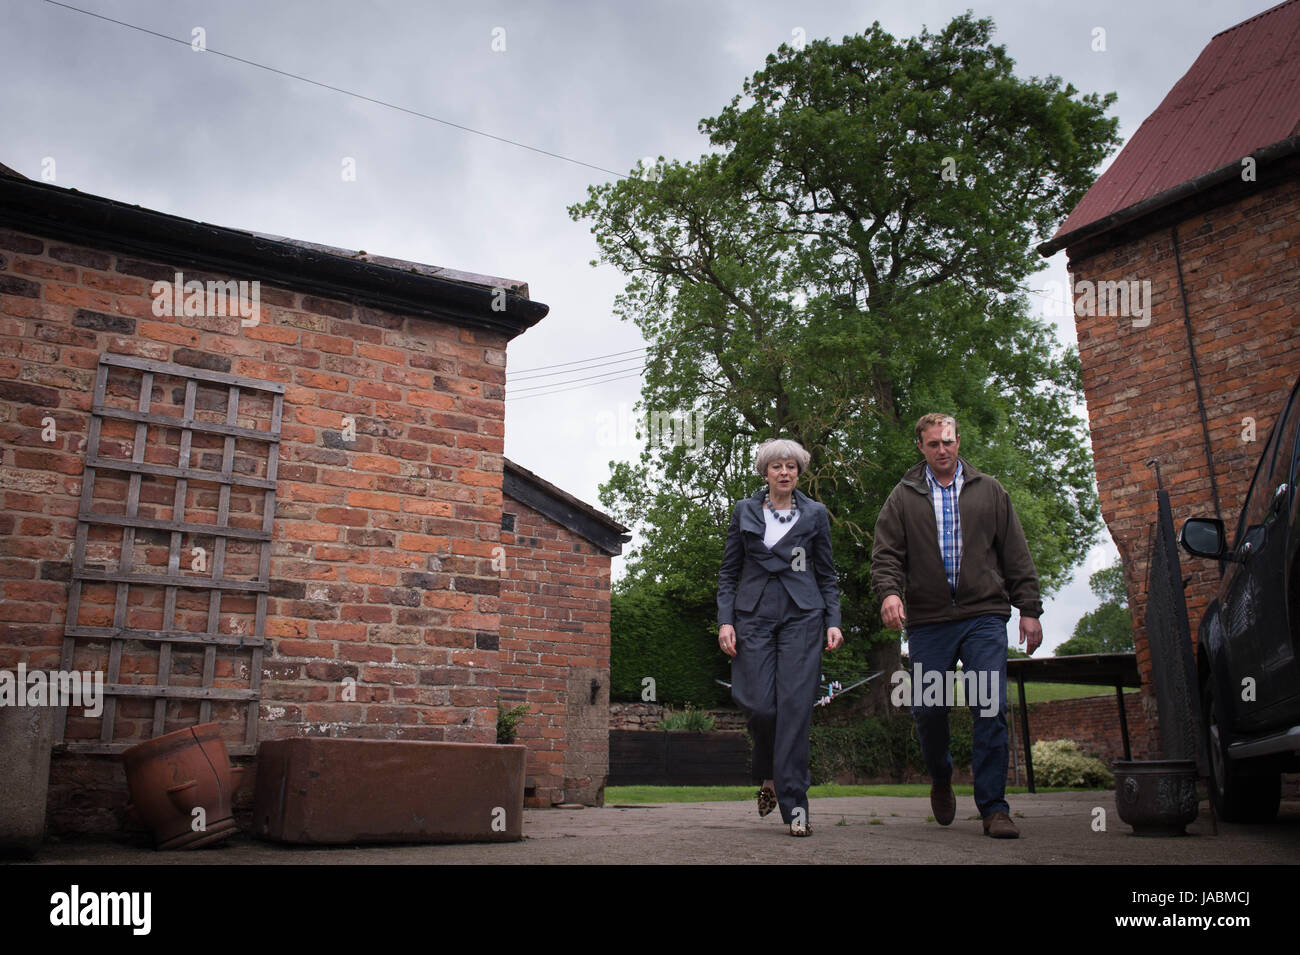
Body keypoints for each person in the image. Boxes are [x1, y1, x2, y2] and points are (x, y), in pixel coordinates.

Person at [871, 413, 1043, 839]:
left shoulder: (990, 491)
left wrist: (1030, 608)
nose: (942, 450)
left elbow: (1015, 552)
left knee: (989, 705)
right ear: (921, 447)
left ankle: (994, 808)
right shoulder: (904, 496)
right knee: (929, 710)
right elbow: (887, 553)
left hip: (983, 616)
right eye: (933, 444)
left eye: (948, 442)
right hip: (929, 621)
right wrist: (890, 593)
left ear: (958, 441)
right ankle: (942, 775)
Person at [717, 438, 843, 836]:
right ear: (765, 472)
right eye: (777, 467)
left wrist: (833, 620)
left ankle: (796, 806)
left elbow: (826, 573)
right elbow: (727, 572)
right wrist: (726, 621)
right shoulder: (744, 511)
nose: (784, 472)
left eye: (791, 466)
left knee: (794, 709)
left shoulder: (816, 514)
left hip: (803, 616)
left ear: (799, 472)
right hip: (752, 617)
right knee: (758, 706)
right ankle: (768, 774)